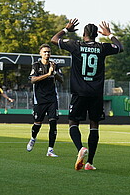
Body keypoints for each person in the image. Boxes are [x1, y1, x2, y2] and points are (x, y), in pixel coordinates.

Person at [51, 18, 123, 170]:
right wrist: (109, 34)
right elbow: (119, 47)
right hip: (96, 93)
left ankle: (80, 149)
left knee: (73, 123)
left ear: (83, 34)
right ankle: (90, 162)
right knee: (94, 126)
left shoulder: (75, 45)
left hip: (79, 92)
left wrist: (66, 29)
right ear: (97, 34)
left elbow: (54, 39)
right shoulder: (103, 47)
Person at [26, 44, 64, 157]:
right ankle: (33, 138)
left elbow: (61, 79)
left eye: (48, 52)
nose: (47, 54)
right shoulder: (36, 65)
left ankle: (50, 150)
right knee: (38, 123)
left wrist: (54, 73)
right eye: (45, 52)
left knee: (53, 122)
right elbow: (33, 80)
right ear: (40, 53)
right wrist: (48, 74)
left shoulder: (54, 65)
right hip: (40, 99)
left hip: (52, 98)